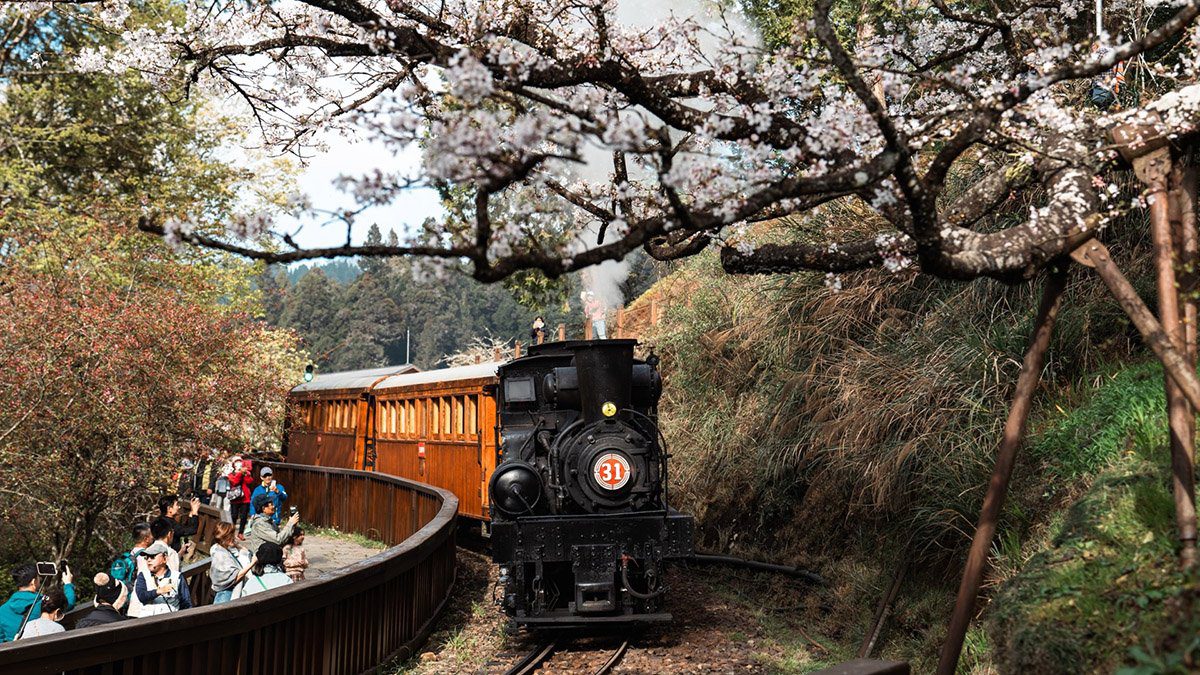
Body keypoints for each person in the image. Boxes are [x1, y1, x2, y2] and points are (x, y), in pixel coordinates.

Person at [0, 563, 75, 642]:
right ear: (33, 581)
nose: (40, 579)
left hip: (15, 652)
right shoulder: (44, 603)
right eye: (38, 577)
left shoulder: (2, 610)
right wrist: (68, 584)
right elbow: (68, 603)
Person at [131, 542, 192, 616]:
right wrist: (158, 591)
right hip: (147, 623)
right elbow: (142, 596)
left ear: (165, 559)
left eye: (152, 556)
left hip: (170, 622)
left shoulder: (177, 577)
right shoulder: (143, 575)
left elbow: (186, 602)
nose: (149, 560)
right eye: (146, 557)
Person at [209, 522, 256, 604]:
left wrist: (237, 545)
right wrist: (252, 563)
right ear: (224, 537)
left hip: (229, 593)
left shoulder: (220, 548)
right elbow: (235, 577)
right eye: (231, 535)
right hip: (227, 595)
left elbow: (246, 552)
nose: (234, 537)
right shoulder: (221, 555)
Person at [227, 458, 254, 537]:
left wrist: (246, 474)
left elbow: (249, 481)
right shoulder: (231, 474)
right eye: (236, 464)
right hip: (235, 498)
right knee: (234, 515)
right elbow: (235, 482)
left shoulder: (246, 473)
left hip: (245, 498)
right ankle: (231, 532)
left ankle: (240, 532)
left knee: (244, 516)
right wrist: (240, 474)